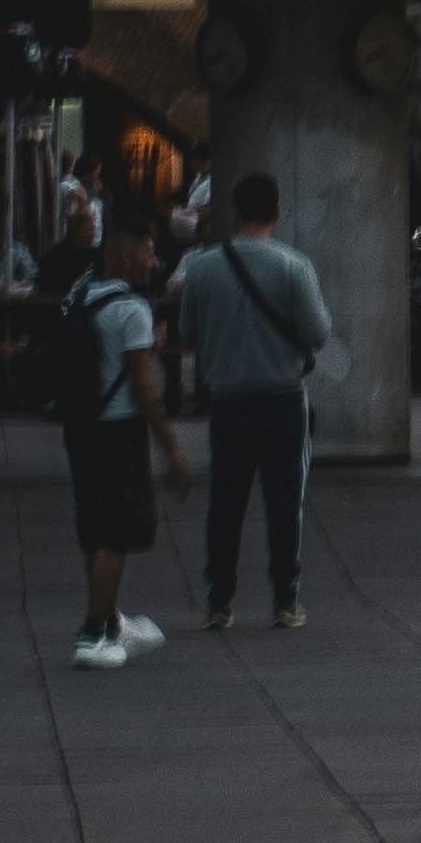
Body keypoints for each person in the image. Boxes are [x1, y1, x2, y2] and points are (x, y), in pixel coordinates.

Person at [171, 171, 331, 631]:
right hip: (283, 397)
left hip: (228, 399)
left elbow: (186, 335)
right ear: (277, 211)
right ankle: (285, 600)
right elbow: (318, 334)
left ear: (234, 212)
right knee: (285, 501)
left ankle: (219, 601)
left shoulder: (202, 267)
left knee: (226, 501)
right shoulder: (293, 265)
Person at [53, 220, 177, 671]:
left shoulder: (81, 295)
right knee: (116, 534)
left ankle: (109, 622)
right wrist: (171, 445)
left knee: (95, 528)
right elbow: (144, 388)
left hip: (81, 427)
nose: (154, 261)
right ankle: (91, 635)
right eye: (148, 252)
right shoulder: (132, 309)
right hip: (119, 430)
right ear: (125, 257)